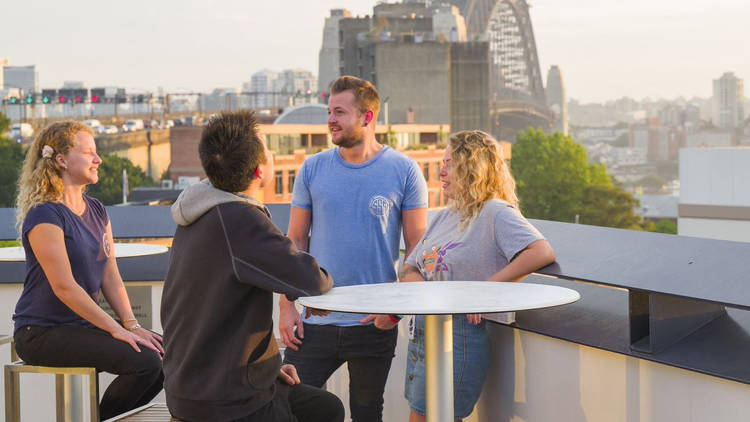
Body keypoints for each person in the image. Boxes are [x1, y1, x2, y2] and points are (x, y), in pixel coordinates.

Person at [161, 111, 344, 422]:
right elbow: (312, 279)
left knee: (326, 408)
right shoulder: (239, 219)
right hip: (224, 400)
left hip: (195, 384)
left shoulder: (199, 211)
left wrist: (269, 368)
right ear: (261, 170)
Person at [279, 75, 428, 421]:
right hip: (314, 319)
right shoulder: (312, 169)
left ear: (367, 117)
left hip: (373, 322)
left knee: (366, 413)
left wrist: (396, 311)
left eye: (340, 112)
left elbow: (418, 250)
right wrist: (286, 307)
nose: (330, 119)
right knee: (285, 403)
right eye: (330, 111)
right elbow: (295, 241)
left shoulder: (404, 171)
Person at [399, 130, 556, 422]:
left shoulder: (495, 213)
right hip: (425, 330)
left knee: (435, 417)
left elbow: (541, 251)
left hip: (460, 334)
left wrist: (482, 294)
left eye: (449, 163)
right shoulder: (447, 215)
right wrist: (431, 296)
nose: (441, 172)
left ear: (472, 167)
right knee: (419, 416)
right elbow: (408, 267)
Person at [12, 120, 164, 420]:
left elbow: (110, 274)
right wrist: (115, 329)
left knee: (164, 354)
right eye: (89, 153)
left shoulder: (96, 209)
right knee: (145, 362)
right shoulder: (44, 215)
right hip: (42, 332)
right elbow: (64, 287)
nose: (99, 160)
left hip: (80, 327)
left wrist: (132, 325)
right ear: (61, 160)